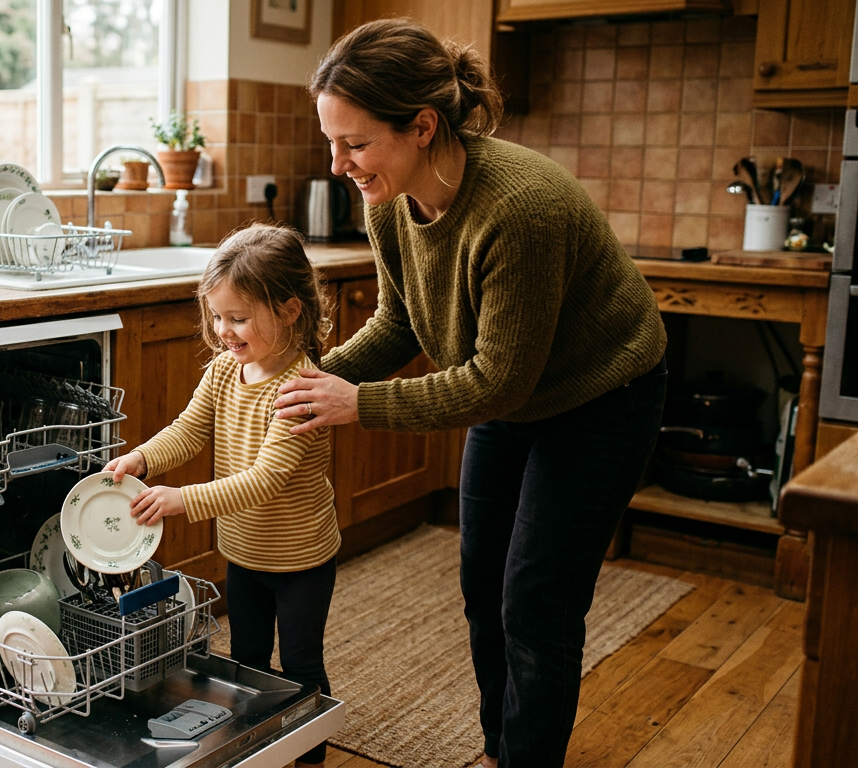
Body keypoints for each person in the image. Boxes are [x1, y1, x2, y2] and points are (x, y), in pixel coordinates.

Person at [271, 19, 669, 768]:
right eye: (333, 142)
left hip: (601, 399)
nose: (339, 163)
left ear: (422, 126)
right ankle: (499, 751)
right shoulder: (386, 198)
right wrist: (311, 380)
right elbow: (400, 322)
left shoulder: (520, 209)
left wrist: (357, 404)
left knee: (537, 606)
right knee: (484, 590)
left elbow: (496, 380)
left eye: (354, 142)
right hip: (512, 401)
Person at [105, 223, 339, 767]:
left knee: (302, 664)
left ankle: (310, 756)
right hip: (244, 552)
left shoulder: (299, 390)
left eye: (238, 318)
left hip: (302, 557)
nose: (224, 330)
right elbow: (188, 431)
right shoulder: (224, 373)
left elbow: (264, 479)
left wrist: (180, 499)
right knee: (248, 661)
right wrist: (142, 456)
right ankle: (259, 752)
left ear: (288, 311)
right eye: (217, 316)